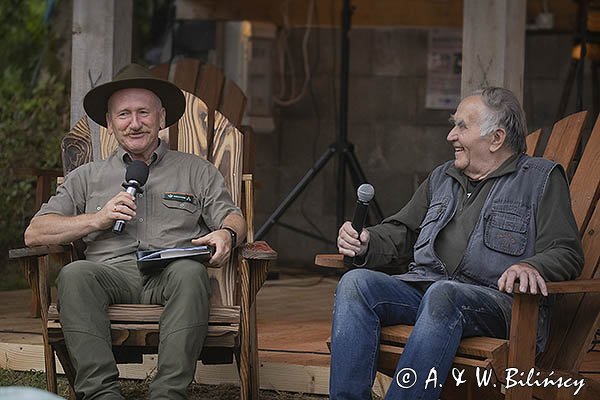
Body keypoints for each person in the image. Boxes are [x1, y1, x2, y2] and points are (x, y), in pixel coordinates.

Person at [330, 87, 584, 400]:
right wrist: (367, 240)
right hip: (428, 293)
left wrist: (532, 265)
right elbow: (404, 231)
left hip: (503, 307)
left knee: (444, 294)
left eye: (462, 126)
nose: (451, 135)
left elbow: (567, 251)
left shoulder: (540, 180)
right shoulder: (443, 177)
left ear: (496, 139)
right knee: (356, 283)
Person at [24, 63, 246, 400]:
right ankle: (102, 394)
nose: (135, 122)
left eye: (144, 112)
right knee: (74, 274)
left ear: (162, 118)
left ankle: (168, 394)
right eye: (124, 114)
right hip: (109, 274)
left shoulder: (196, 171)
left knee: (190, 274)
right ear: (110, 124)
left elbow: (233, 217)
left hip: (170, 272)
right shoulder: (87, 177)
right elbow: (35, 232)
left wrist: (226, 235)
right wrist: (97, 219)